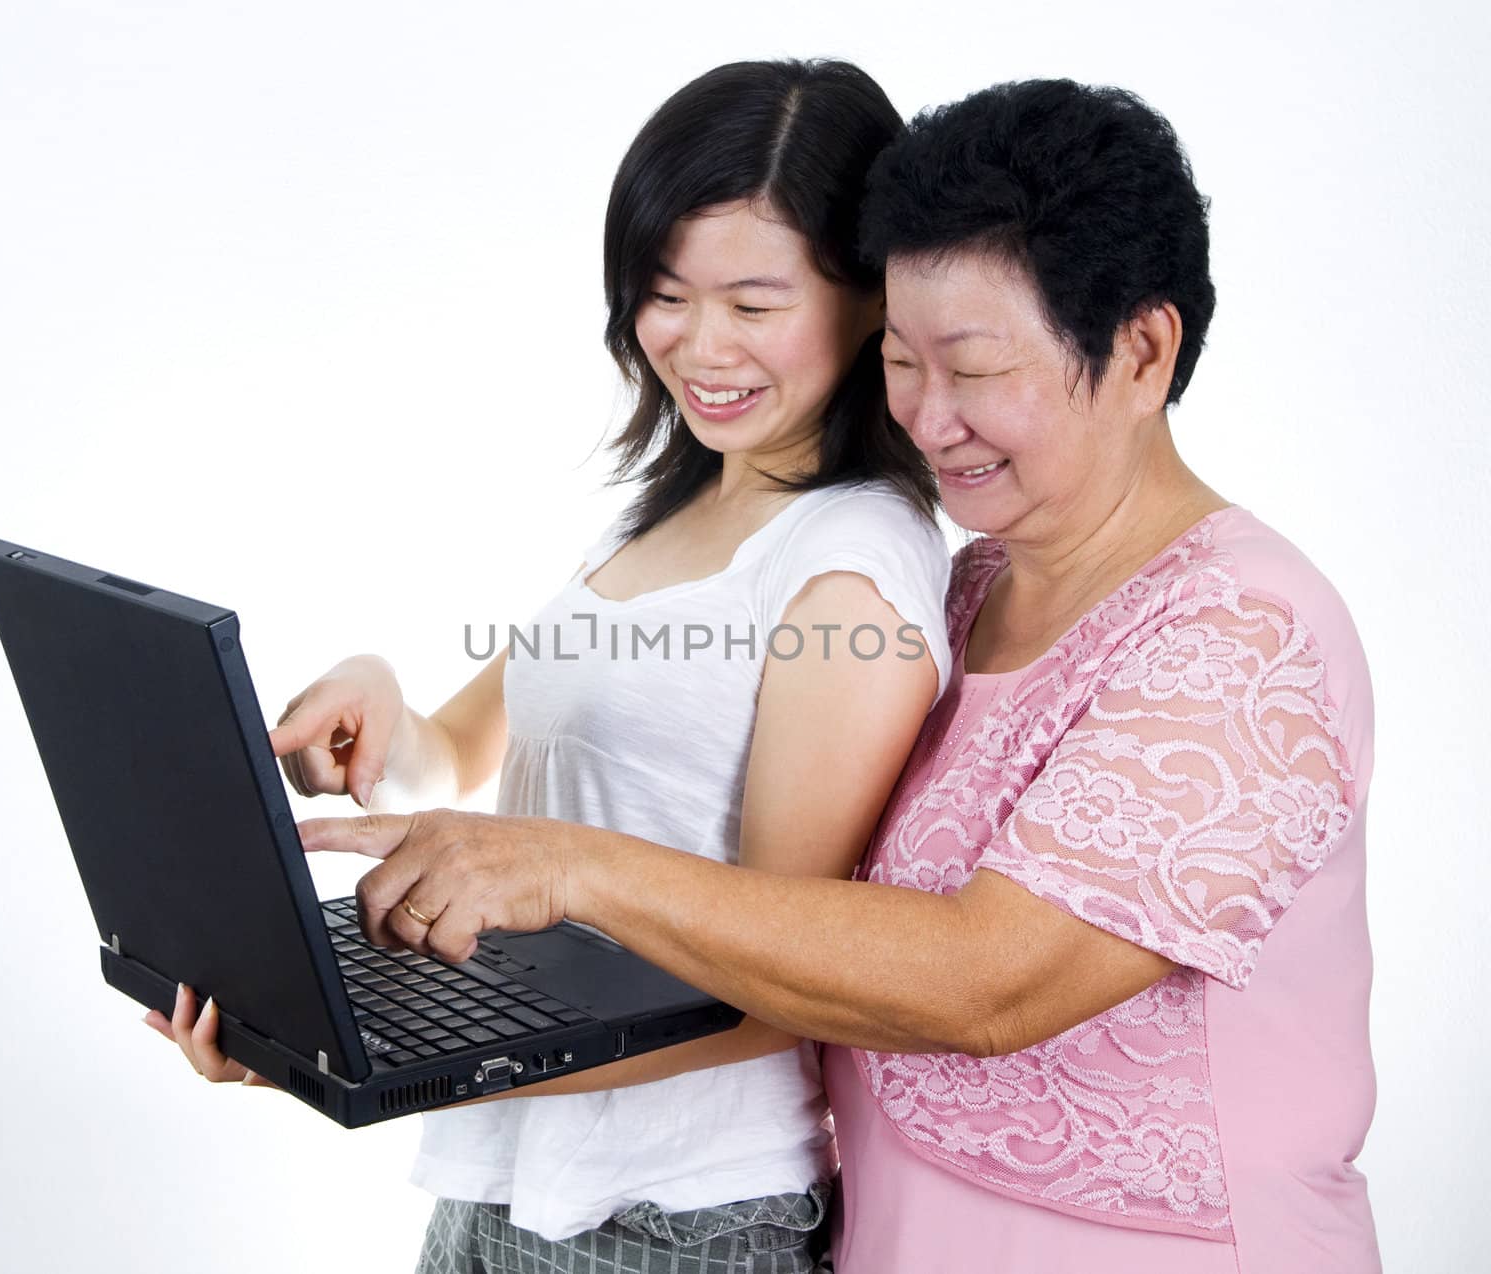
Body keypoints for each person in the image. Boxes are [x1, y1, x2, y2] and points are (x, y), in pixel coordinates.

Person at [304, 80, 1382, 1272]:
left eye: (970, 368)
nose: (924, 417)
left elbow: (986, 980)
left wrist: (562, 873)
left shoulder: (1240, 635)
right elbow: (810, 928)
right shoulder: (973, 589)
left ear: (1140, 347)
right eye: (902, 362)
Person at [148, 59, 954, 1273]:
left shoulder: (850, 566)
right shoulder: (661, 517)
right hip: (512, 1175)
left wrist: (374, 1050)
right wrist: (385, 705)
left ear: (867, 297)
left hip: (682, 1211)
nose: (696, 343)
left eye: (753, 299)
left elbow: (790, 982)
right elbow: (466, 746)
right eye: (664, 293)